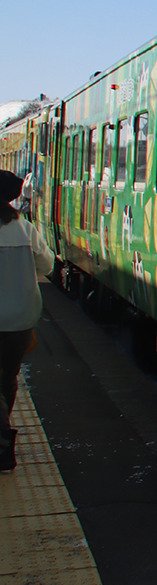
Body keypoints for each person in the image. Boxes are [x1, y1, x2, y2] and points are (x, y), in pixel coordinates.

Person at [1, 169, 53, 472]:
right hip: (20, 319)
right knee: (7, 378)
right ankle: (4, 441)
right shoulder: (25, 229)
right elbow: (46, 265)